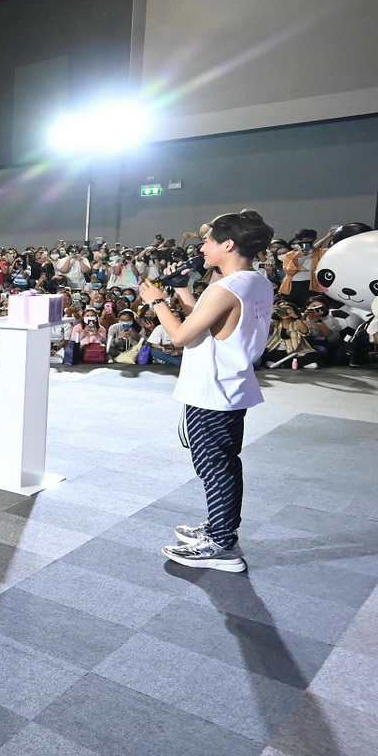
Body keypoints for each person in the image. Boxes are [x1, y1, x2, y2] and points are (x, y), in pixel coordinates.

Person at [138, 208, 275, 573]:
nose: (203, 248)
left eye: (209, 241)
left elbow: (183, 335)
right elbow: (208, 320)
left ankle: (222, 545)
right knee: (222, 463)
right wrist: (182, 289)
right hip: (229, 383)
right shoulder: (255, 281)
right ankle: (219, 529)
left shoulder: (227, 287)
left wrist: (156, 300)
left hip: (211, 390)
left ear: (228, 244)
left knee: (215, 466)